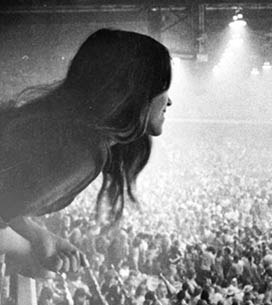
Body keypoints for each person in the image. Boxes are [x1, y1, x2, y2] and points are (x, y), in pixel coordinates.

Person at [0, 28, 172, 276]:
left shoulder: (71, 135)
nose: (169, 102)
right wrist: (24, 251)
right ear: (135, 91)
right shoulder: (85, 152)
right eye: (163, 87)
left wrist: (37, 235)